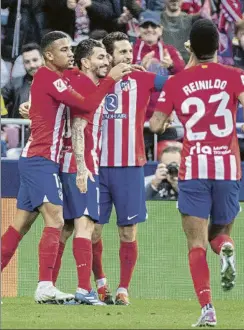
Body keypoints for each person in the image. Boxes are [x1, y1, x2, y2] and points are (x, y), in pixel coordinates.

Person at [0, 31, 131, 304]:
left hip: (37, 158)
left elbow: (74, 82)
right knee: (57, 221)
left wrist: (31, 105)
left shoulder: (59, 77)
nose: (69, 53)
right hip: (41, 160)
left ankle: (47, 285)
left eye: (71, 49)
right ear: (49, 55)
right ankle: (45, 285)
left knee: (19, 226)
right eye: (63, 49)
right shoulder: (49, 78)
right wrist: (111, 79)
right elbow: (87, 103)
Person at [149, 19, 244, 327]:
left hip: (194, 166)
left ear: (190, 47)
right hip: (228, 166)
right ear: (220, 46)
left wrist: (175, 116)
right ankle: (226, 249)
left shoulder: (176, 82)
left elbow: (156, 125)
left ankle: (207, 309)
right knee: (220, 234)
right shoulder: (236, 75)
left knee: (195, 244)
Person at [88, 31, 168, 305]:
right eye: (121, 52)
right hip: (96, 166)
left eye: (128, 51)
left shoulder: (141, 79)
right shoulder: (93, 80)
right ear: (107, 56)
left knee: (127, 231)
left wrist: (164, 116)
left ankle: (123, 289)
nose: (128, 56)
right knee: (92, 230)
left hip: (130, 167)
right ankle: (100, 284)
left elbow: (175, 84)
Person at [51, 39, 113, 306]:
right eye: (101, 57)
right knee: (84, 225)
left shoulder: (78, 83)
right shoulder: (86, 85)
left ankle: (49, 287)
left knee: (65, 228)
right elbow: (78, 127)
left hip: (70, 162)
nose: (107, 62)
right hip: (81, 164)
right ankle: (83, 290)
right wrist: (82, 167)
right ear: (86, 62)